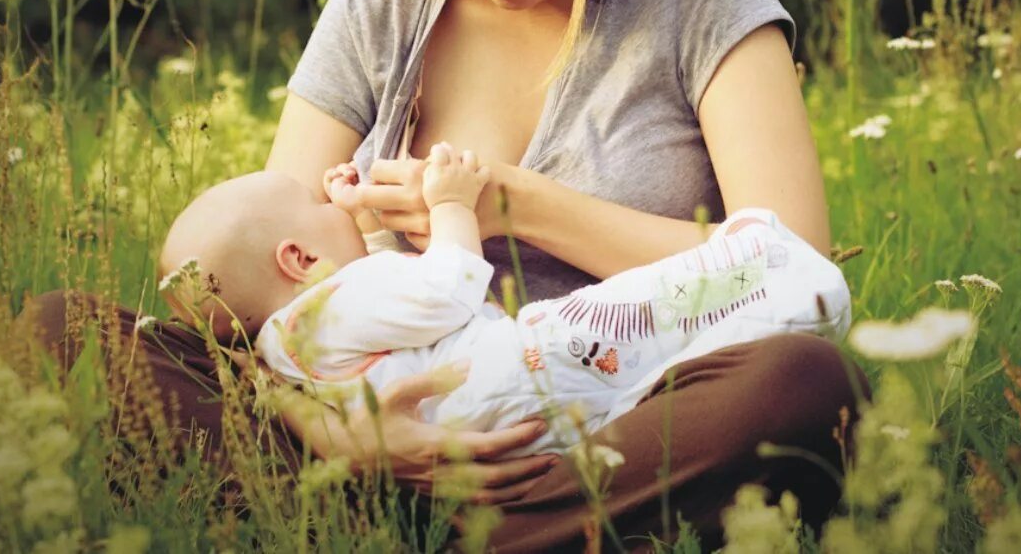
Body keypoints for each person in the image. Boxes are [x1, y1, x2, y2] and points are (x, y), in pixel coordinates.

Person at [28, 0, 869, 550]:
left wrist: (515, 205)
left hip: (617, 423)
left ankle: (455, 530)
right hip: (373, 434)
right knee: (59, 333)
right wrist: (334, 431)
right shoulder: (374, 12)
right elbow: (254, 297)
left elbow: (790, 263)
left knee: (803, 381)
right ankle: (412, 514)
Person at [156, 146, 852, 458]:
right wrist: (455, 207)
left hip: (478, 433)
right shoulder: (335, 297)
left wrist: (354, 220)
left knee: (638, 371)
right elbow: (445, 288)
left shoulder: (290, 343)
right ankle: (763, 270)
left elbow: (380, 297)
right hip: (514, 363)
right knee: (640, 316)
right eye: (316, 204)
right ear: (300, 260)